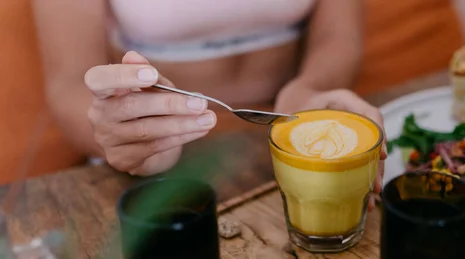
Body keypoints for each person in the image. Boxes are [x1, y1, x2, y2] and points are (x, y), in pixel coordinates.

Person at [32, 0, 386, 193]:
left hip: (284, 141)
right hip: (156, 167)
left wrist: (311, 87)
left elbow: (339, 34)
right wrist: (121, 134)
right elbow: (68, 82)